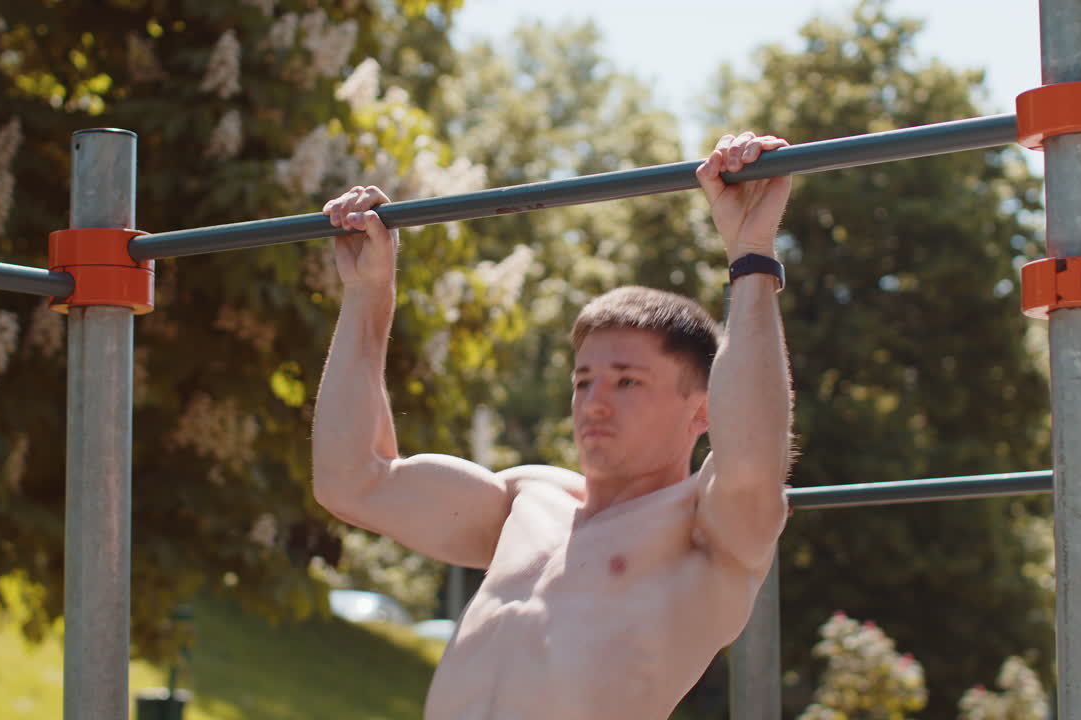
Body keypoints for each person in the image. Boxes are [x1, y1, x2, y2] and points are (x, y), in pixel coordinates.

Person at [312, 131, 794, 720]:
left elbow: (751, 463)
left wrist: (751, 255)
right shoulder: (527, 498)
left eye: (627, 381)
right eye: (583, 380)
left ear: (703, 410)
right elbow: (353, 479)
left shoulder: (707, 529)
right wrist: (367, 293)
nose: (593, 402)